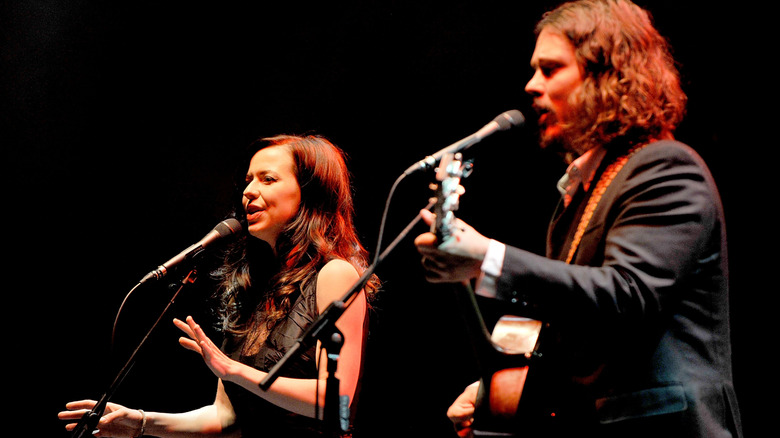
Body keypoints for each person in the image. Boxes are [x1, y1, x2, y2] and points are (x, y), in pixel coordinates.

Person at [414, 1, 742, 437]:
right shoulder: (580, 192)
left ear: (606, 76)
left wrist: (488, 259)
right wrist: (496, 394)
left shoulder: (665, 167)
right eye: (534, 70)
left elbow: (627, 295)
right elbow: (580, 333)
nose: (531, 86)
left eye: (550, 70)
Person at [60, 134, 380, 437]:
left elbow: (337, 401)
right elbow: (225, 418)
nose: (249, 192)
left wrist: (234, 371)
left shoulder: (335, 274)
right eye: (248, 180)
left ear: (310, 191)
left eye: (268, 179)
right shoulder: (254, 290)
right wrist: (142, 422)